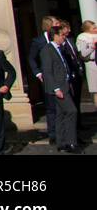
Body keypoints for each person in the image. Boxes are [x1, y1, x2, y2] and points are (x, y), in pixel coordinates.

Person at [42, 24, 79, 153]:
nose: (64, 37)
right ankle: (71, 142)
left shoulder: (60, 48)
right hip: (59, 88)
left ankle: (61, 142)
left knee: (61, 114)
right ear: (55, 35)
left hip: (65, 85)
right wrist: (56, 88)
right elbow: (47, 72)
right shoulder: (47, 49)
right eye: (62, 35)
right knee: (71, 111)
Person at [27, 15, 59, 143]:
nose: (58, 24)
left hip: (61, 76)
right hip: (46, 77)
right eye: (56, 22)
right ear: (49, 25)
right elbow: (31, 58)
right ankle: (53, 134)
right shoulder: (38, 41)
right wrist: (38, 73)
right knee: (51, 106)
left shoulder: (61, 38)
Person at [77, 20, 97, 98]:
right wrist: (93, 46)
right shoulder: (82, 37)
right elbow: (84, 53)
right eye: (94, 28)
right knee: (96, 89)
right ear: (87, 29)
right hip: (92, 64)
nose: (96, 29)